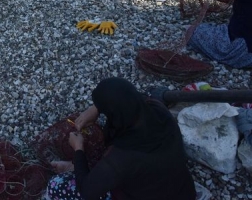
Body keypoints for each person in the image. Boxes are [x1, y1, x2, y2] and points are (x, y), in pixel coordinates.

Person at [46, 77, 196, 200]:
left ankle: (79, 168)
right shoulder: (158, 110)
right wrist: (97, 108)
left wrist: (78, 149)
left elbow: (87, 192)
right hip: (183, 191)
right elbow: (133, 97)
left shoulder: (122, 157)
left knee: (56, 185)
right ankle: (80, 169)